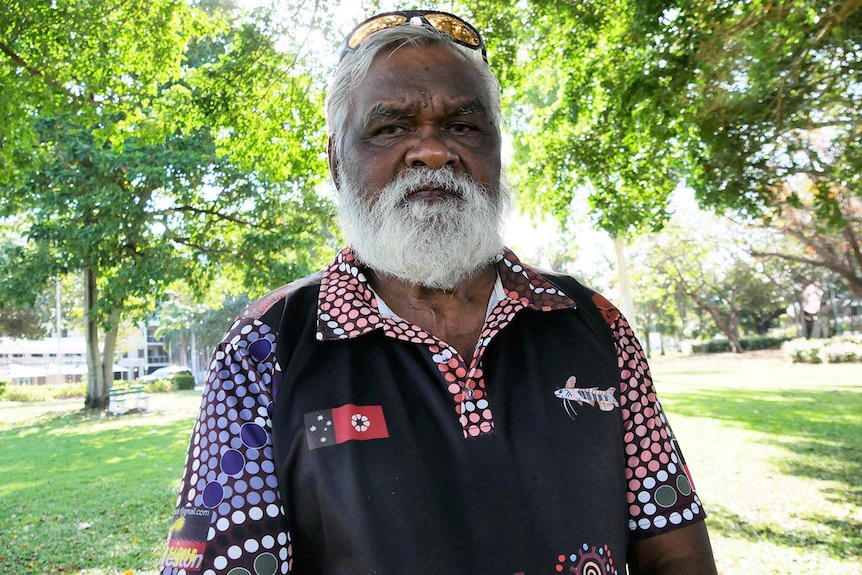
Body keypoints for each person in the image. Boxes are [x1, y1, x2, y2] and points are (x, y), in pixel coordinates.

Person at [160, 10, 717, 575]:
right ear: (336, 161)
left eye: (463, 126)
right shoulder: (265, 346)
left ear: (497, 153)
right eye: (391, 127)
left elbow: (673, 548)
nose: (432, 151)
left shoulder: (591, 322)